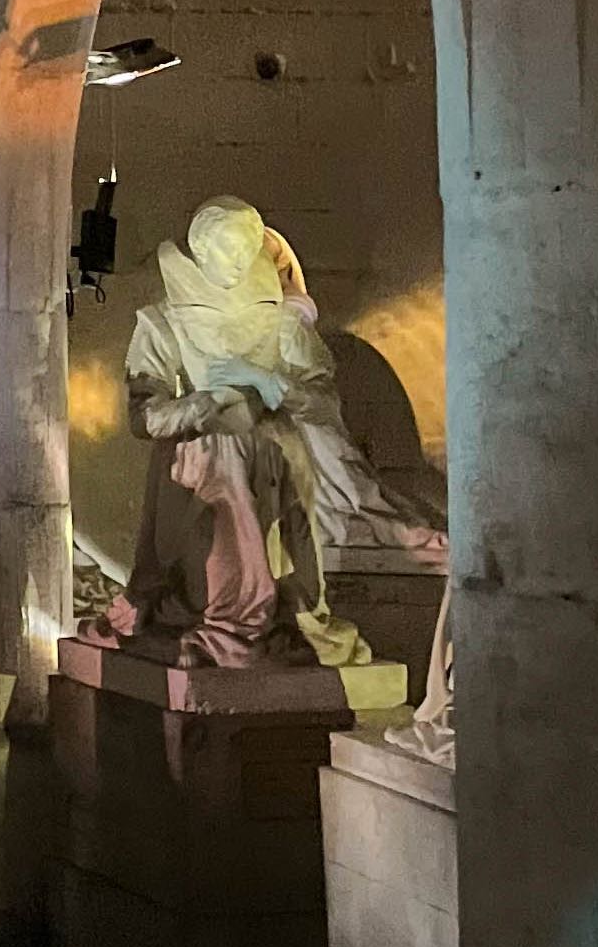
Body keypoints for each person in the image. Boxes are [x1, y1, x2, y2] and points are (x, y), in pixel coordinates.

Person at [105, 196, 445, 671]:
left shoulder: (278, 318)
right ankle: (236, 612)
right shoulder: (163, 321)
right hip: (198, 455)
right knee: (230, 449)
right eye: (228, 250)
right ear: (201, 252)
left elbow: (321, 398)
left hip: (276, 452)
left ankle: (280, 607)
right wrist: (205, 403)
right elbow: (144, 415)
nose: (240, 262)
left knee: (284, 446)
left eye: (247, 251)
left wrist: (271, 385)